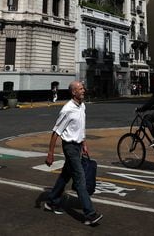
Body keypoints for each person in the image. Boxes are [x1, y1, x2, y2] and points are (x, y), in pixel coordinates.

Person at [43, 81, 102, 226]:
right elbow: (56, 132)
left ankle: (51, 201)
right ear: (73, 92)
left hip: (78, 146)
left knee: (65, 175)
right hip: (69, 147)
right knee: (80, 178)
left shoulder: (82, 105)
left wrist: (84, 143)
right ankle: (89, 214)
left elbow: (81, 128)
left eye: (83, 88)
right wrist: (50, 153)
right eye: (80, 89)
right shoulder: (67, 109)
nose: (83, 90)